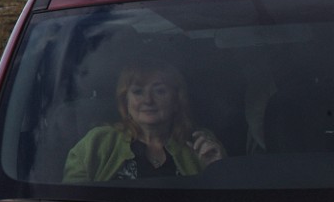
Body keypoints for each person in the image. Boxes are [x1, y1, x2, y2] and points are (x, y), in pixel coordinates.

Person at [63, 58, 225, 182]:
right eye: (138, 92)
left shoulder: (201, 142)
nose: (148, 100)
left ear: (177, 101)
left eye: (159, 91)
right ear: (125, 102)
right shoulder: (97, 142)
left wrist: (217, 167)